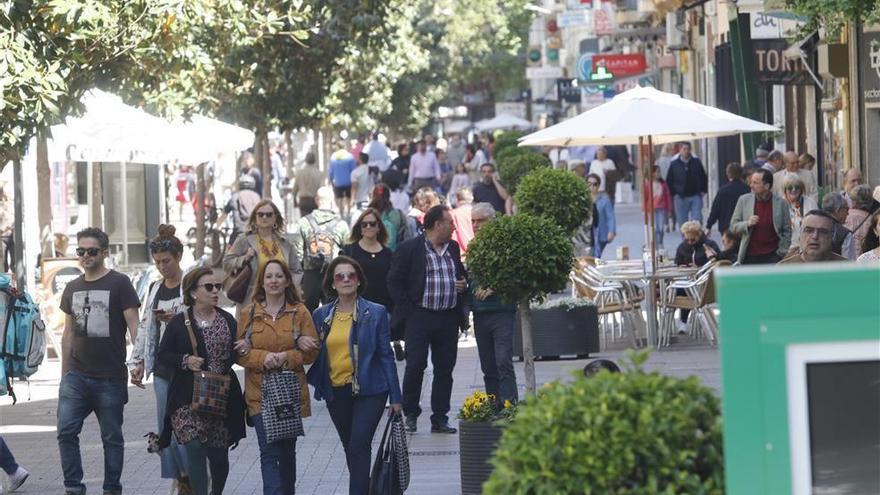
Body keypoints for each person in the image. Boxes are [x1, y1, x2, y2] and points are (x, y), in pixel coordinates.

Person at [307, 256, 402, 495]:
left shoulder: (376, 312)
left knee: (359, 444)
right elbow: (315, 354)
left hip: (370, 390)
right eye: (340, 276)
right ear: (333, 283)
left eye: (351, 275)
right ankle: (367, 488)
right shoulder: (321, 316)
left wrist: (396, 397)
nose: (346, 279)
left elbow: (385, 355)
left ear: (359, 281)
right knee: (352, 448)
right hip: (336, 391)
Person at [57, 228, 141, 495]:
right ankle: (73, 487)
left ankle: (111, 489)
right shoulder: (72, 287)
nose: (85, 256)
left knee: (112, 439)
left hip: (111, 377)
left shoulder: (120, 283)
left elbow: (135, 326)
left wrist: (138, 361)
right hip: (76, 377)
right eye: (80, 251)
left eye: (91, 251)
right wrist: (64, 374)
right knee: (65, 433)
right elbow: (68, 333)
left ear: (105, 253)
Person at [157, 268, 246, 495]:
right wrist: (186, 361)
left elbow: (237, 353)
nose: (215, 291)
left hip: (219, 397)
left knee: (219, 458)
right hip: (186, 396)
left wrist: (244, 348)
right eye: (209, 287)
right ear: (194, 292)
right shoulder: (179, 322)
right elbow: (164, 355)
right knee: (194, 447)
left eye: (218, 286)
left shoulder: (227, 319)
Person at [236, 260, 319, 495]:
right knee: (269, 450)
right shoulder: (248, 313)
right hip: (259, 393)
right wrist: (261, 357)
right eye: (269, 276)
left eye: (278, 276)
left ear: (286, 281)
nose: (273, 281)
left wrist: (287, 356)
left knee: (286, 451)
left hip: (289, 393)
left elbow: (312, 351)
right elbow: (239, 355)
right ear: (262, 282)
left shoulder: (299, 312)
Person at [388, 205, 467, 434]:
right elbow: (394, 281)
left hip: (447, 318)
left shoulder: (452, 247)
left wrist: (463, 284)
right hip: (420, 317)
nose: (453, 227)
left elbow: (461, 274)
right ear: (436, 225)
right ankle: (410, 412)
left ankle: (440, 417)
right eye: (449, 223)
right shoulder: (410, 248)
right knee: (415, 365)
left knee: (445, 368)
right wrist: (408, 309)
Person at [128, 226, 192, 494]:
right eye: (157, 262)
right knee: (167, 426)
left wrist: (177, 318)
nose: (162, 267)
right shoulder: (154, 287)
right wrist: (138, 362)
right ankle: (179, 478)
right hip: (163, 367)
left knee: (188, 426)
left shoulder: (191, 283)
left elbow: (205, 316)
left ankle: (193, 475)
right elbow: (145, 326)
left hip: (189, 365)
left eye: (167, 261)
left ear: (178, 257)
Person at [469, 203, 518, 406]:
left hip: (502, 311)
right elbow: (471, 277)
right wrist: (474, 287)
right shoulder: (473, 246)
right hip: (480, 313)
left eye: (481, 221)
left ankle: (509, 405)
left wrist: (495, 286)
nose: (476, 225)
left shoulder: (506, 244)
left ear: (493, 220)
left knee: (503, 360)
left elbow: (515, 274)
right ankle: (494, 405)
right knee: (488, 365)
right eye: (473, 221)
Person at [223, 200, 304, 313]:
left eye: (269, 214)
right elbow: (227, 262)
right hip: (251, 301)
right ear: (255, 218)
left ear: (275, 217)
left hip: (281, 302)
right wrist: (245, 258)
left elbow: (297, 270)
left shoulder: (285, 243)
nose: (264, 217)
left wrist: (289, 288)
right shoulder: (244, 240)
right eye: (260, 214)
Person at [293, 187, 351, 311]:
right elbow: (349, 253)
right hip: (333, 275)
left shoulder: (303, 222)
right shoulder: (341, 225)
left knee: (308, 314)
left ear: (316, 200)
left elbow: (297, 254)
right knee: (333, 312)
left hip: (310, 275)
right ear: (332, 200)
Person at [729, 169, 791, 264]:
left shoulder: (781, 203)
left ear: (766, 186)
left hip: (773, 257)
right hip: (749, 256)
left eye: (755, 183)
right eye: (751, 182)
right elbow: (733, 227)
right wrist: (747, 224)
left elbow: (787, 231)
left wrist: (781, 252)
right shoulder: (743, 200)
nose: (751, 185)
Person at [342, 208, 394, 314]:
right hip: (356, 309)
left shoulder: (388, 254)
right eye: (364, 224)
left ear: (379, 227)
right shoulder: (349, 251)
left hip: (383, 309)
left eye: (372, 224)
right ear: (360, 229)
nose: (368, 227)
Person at [673, 221, 722, 331]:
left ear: (699, 235)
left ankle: (681, 322)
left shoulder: (710, 245)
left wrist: (702, 265)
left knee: (682, 291)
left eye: (693, 240)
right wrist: (683, 266)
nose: (690, 242)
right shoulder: (682, 247)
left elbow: (718, 263)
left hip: (705, 285)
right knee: (676, 291)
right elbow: (677, 263)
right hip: (689, 281)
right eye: (687, 239)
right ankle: (675, 323)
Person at [779, 210, 850, 263]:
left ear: (831, 237)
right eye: (809, 230)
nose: (815, 236)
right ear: (799, 236)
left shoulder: (847, 269)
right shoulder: (783, 270)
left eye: (822, 232)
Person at [666, 142, 708, 227]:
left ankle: (696, 239)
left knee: (697, 220)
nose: (686, 151)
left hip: (695, 195)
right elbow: (669, 180)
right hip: (680, 197)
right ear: (680, 150)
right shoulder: (674, 164)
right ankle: (685, 239)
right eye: (684, 149)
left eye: (688, 149)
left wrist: (703, 190)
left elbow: (703, 176)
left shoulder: (696, 162)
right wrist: (674, 193)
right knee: (682, 222)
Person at [215, 175, 261, 246]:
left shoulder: (235, 197)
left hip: (238, 233)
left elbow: (224, 214)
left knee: (229, 253)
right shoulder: (257, 197)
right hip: (255, 232)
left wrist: (217, 226)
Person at [705, 162, 750, 236]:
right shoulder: (747, 189)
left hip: (726, 228)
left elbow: (715, 210)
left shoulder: (723, 191)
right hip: (743, 226)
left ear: (728, 174)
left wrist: (708, 226)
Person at [782, 177, 818, 256]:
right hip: (786, 250)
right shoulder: (780, 204)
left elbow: (816, 224)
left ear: (801, 190)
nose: (793, 190)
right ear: (785, 190)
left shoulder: (810, 203)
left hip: (806, 248)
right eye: (790, 187)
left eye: (797, 187)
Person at [368, 184, 407, 252]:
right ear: (389, 196)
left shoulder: (366, 214)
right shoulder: (397, 214)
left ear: (373, 196)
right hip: (395, 253)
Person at [643, 165, 672, 246]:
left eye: (659, 172)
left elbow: (667, 196)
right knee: (654, 228)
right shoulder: (648, 184)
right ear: (652, 173)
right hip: (651, 209)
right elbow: (645, 197)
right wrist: (644, 209)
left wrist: (669, 209)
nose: (659, 174)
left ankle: (660, 242)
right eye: (657, 172)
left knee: (661, 228)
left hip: (661, 209)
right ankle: (655, 244)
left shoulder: (663, 184)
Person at [588, 174, 616, 258]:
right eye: (589, 184)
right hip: (587, 235)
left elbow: (610, 217)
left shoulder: (605, 200)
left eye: (595, 184)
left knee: (595, 255)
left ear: (599, 186)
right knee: (591, 256)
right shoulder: (582, 199)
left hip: (601, 234)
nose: (592, 186)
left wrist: (611, 231)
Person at [822, 192, 855, 260]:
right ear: (838, 210)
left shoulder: (810, 226)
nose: (848, 213)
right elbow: (849, 263)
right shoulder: (845, 234)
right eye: (846, 209)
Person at [846, 185, 876, 257]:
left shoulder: (845, 216)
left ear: (853, 201)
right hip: (865, 259)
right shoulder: (873, 220)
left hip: (846, 258)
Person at [329, 147, 357, 218]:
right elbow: (353, 169)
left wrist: (331, 179)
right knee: (348, 197)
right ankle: (348, 213)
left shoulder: (333, 157)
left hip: (338, 182)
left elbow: (331, 170)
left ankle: (341, 215)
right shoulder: (350, 157)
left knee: (340, 198)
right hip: (348, 181)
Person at [451, 188, 476, 255]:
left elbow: (452, 236)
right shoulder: (477, 212)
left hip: (461, 255)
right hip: (478, 253)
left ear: (457, 199)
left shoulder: (453, 214)